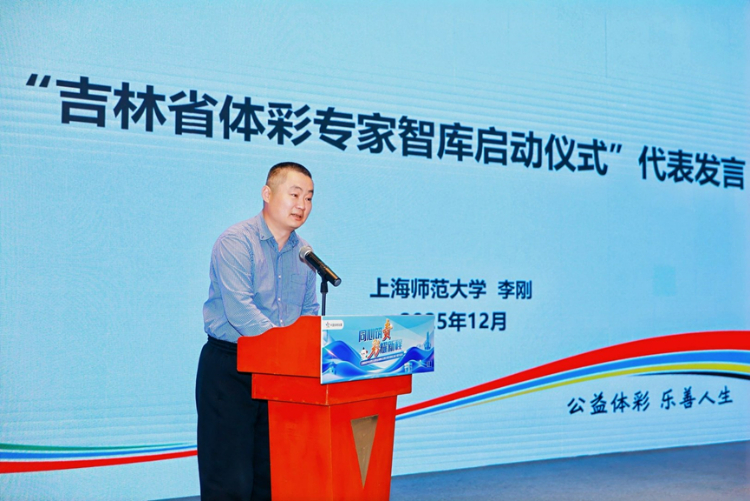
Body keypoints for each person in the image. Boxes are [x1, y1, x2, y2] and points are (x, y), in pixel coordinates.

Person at [195, 162, 319, 500]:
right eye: (295, 194)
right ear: (267, 193)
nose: (302, 205)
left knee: (272, 478)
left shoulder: (305, 254)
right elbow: (241, 312)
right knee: (229, 480)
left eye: (309, 198)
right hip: (232, 369)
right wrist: (286, 348)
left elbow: (309, 313)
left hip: (282, 375)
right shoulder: (236, 242)